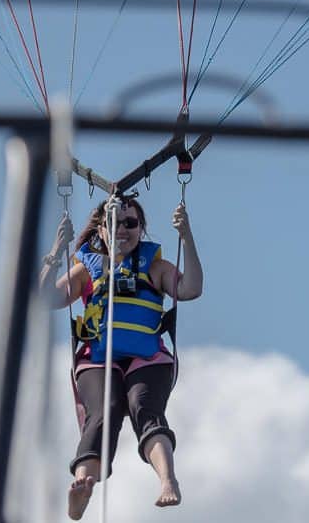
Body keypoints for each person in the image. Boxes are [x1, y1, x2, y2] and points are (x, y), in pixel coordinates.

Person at [38, 195, 204, 521]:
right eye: (115, 223)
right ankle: (83, 485)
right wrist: (57, 251)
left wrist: (187, 236)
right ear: (101, 229)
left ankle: (168, 479)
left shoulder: (154, 266)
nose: (123, 229)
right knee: (104, 411)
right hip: (99, 359)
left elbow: (190, 289)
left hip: (147, 358)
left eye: (131, 223)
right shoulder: (86, 269)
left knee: (145, 406)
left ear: (141, 228)